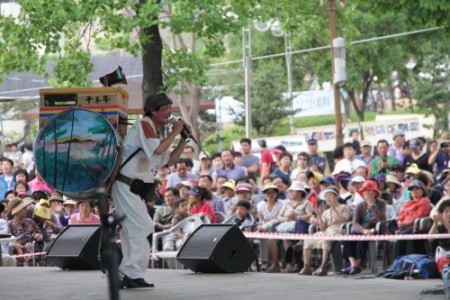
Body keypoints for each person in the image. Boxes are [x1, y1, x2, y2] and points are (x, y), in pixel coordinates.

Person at [111, 93, 188, 288]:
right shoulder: (145, 125)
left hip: (132, 187)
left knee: (133, 230)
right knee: (142, 227)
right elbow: (160, 150)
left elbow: (169, 160)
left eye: (170, 109)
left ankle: (125, 272)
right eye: (165, 109)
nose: (169, 113)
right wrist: (176, 130)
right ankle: (131, 273)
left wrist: (182, 139)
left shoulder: (155, 131)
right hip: (125, 184)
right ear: (153, 111)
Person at [299, 186, 350, 276]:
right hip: (328, 231)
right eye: (326, 196)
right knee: (308, 239)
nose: (328, 198)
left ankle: (323, 266)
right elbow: (323, 228)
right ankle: (306, 266)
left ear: (336, 197)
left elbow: (343, 220)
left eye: (330, 196)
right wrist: (319, 215)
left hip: (338, 230)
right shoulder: (326, 212)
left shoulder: (344, 207)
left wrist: (334, 209)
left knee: (327, 239)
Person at [341, 180, 386, 275]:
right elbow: (355, 223)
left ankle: (357, 264)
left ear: (375, 193)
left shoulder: (381, 203)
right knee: (348, 238)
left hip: (375, 229)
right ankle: (354, 264)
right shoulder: (360, 205)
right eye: (365, 191)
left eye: (369, 191)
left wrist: (373, 205)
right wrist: (363, 230)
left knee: (362, 240)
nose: (367, 193)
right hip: (362, 229)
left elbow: (381, 219)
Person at [7, 197, 42, 266]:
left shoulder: (30, 221)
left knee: (29, 245)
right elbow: (8, 240)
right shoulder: (9, 224)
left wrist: (38, 235)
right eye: (24, 208)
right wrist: (17, 246)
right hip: (18, 250)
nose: (26, 210)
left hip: (34, 248)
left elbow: (39, 233)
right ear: (17, 211)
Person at [162, 197, 190, 269]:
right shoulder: (176, 218)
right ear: (177, 208)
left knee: (180, 245)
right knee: (167, 248)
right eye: (182, 206)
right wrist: (184, 237)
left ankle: (181, 268)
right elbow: (178, 232)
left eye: (186, 205)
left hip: (184, 236)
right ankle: (172, 268)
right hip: (174, 235)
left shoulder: (190, 216)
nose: (185, 207)